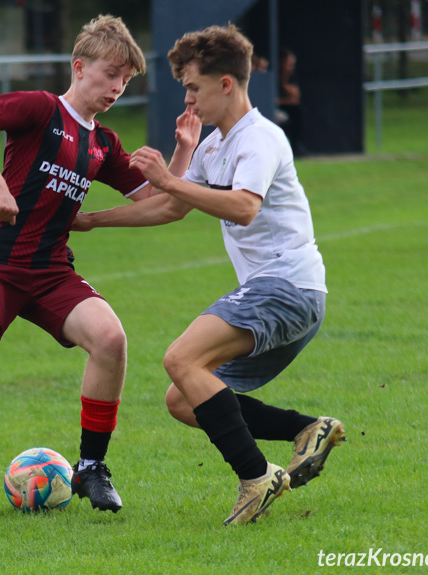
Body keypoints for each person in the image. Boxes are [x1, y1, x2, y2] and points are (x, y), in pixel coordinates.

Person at [0, 15, 199, 531]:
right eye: (111, 73)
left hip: (50, 272)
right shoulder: (41, 109)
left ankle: (91, 467)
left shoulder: (103, 145)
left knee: (111, 338)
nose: (116, 86)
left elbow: (166, 206)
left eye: (126, 80)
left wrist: (182, 150)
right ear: (79, 67)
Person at [73, 24, 344, 526]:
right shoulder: (214, 146)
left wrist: (169, 177)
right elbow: (169, 208)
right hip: (280, 294)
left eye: (194, 87)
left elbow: (243, 207)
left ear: (226, 83)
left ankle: (256, 477)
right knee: (182, 397)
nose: (188, 99)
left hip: (287, 286)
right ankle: (308, 429)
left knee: (180, 357)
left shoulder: (259, 138)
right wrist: (91, 220)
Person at [276, 47, 305, 156]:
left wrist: (284, 85)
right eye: (288, 63)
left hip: (284, 107)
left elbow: (295, 98)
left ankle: (296, 147)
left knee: (297, 113)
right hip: (273, 109)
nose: (290, 67)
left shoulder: (291, 77)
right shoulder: (274, 75)